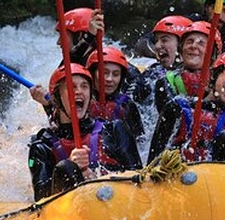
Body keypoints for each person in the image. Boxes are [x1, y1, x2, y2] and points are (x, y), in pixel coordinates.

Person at [28, 64, 142, 201]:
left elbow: (139, 178)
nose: (79, 91)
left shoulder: (114, 130)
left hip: (116, 204)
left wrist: (97, 179)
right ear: (56, 98)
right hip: (73, 213)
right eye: (71, 87)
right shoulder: (42, 147)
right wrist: (70, 166)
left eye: (84, 86)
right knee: (66, 167)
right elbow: (40, 198)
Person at [153, 20, 222, 113]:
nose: (193, 46)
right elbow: (169, 114)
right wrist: (206, 102)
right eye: (189, 42)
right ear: (181, 49)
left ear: (213, 54)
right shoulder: (166, 81)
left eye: (201, 43)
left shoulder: (220, 85)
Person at [131, 15, 192, 106]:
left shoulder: (204, 78)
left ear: (182, 44)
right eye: (156, 40)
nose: (157, 46)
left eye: (164, 40)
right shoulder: (151, 74)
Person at [84, 46, 144, 139]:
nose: (109, 79)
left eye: (116, 74)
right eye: (104, 73)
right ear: (92, 74)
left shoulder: (126, 105)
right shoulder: (82, 103)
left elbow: (140, 142)